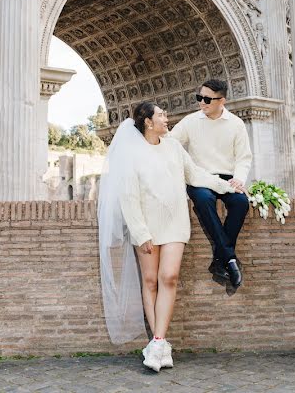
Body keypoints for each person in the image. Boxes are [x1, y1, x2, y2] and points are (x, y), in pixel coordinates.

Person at [98, 102, 236, 372]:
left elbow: (195, 175)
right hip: (146, 225)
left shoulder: (173, 146)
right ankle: (159, 343)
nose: (166, 117)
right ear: (148, 122)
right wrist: (139, 231)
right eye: (161, 114)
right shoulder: (132, 154)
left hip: (175, 222)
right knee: (150, 281)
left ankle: (158, 342)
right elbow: (128, 196)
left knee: (169, 277)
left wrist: (227, 186)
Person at [169, 79, 252, 289]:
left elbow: (244, 157)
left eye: (207, 99)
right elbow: (170, 144)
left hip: (227, 177)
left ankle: (220, 260)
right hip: (199, 177)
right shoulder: (190, 122)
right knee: (204, 200)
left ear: (221, 100)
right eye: (199, 98)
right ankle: (229, 258)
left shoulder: (236, 124)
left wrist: (239, 178)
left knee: (241, 202)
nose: (202, 103)